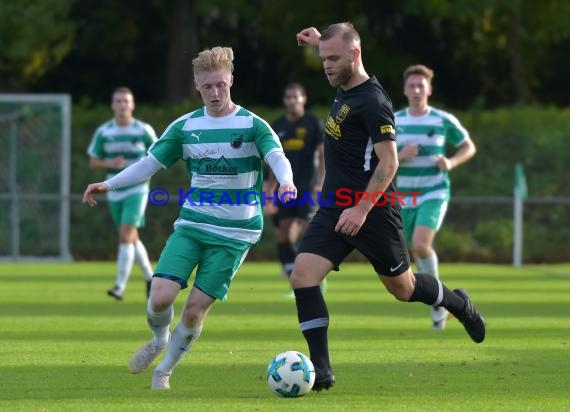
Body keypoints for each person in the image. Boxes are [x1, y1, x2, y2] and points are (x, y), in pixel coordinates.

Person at [83, 46, 297, 390]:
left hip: (236, 233)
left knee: (195, 310)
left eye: (220, 85)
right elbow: (148, 165)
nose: (215, 93)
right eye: (207, 86)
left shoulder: (253, 125)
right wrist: (109, 183)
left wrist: (286, 181)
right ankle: (158, 339)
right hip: (193, 225)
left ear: (231, 81)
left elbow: (277, 157)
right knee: (160, 296)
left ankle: (164, 370)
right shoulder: (186, 127)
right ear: (197, 86)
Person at [292, 22, 485, 392]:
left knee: (403, 288)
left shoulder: (374, 102)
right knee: (302, 275)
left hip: (373, 211)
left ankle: (459, 305)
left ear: (355, 54)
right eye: (323, 58)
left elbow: (389, 163)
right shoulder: (344, 79)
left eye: (333, 58)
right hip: (336, 206)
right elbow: (335, 48)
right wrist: (321, 42)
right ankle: (321, 371)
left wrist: (361, 210)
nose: (326, 65)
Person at [395, 64, 477, 330]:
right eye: (412, 86)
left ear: (429, 89)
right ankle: (443, 300)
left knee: (420, 244)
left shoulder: (442, 120)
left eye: (421, 86)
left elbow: (468, 146)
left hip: (434, 190)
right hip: (405, 195)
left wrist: (451, 162)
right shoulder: (395, 121)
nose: (417, 90)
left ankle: (438, 305)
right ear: (405, 90)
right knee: (411, 252)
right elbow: (376, 157)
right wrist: (399, 155)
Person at [87, 87, 157, 300]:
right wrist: (110, 163)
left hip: (137, 189)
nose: (122, 105)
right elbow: (93, 161)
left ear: (133, 104)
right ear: (112, 105)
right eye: (118, 101)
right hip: (114, 190)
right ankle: (150, 277)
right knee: (131, 237)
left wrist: (145, 175)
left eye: (126, 101)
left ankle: (119, 286)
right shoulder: (104, 131)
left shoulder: (143, 129)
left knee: (126, 233)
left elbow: (157, 155)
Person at [268, 83, 325, 288]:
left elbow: (322, 153)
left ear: (304, 99)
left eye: (296, 97)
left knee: (295, 231)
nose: (292, 101)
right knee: (282, 232)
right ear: (284, 100)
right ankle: (294, 273)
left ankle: (306, 276)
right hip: (285, 188)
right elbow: (272, 160)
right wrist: (268, 192)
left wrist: (321, 182)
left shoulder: (313, 123)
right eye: (289, 97)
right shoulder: (278, 125)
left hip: (307, 185)